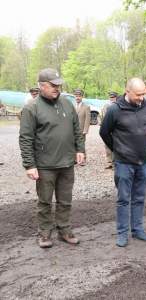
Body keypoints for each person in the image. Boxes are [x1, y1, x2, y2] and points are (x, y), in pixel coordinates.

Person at [19, 68, 85, 248]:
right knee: (45, 201)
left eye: (59, 85)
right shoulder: (31, 108)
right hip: (44, 165)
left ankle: (64, 229)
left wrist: (80, 149)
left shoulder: (66, 103)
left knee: (65, 200)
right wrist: (29, 164)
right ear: (41, 86)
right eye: (53, 85)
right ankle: (45, 232)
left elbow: (76, 129)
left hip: (66, 163)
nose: (58, 88)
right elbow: (25, 138)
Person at [100, 78, 146, 247]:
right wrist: (118, 149)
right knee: (124, 198)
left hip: (143, 162)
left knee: (139, 197)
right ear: (127, 91)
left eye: (144, 94)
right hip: (124, 163)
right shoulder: (114, 110)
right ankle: (122, 233)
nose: (142, 98)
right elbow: (104, 132)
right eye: (138, 94)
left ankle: (138, 230)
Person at [101, 91, 118, 169]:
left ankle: (115, 163)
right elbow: (102, 116)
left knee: (114, 145)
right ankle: (109, 162)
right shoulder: (105, 106)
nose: (112, 99)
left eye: (113, 97)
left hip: (115, 129)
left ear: (116, 98)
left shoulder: (118, 106)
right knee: (107, 145)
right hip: (107, 128)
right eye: (111, 97)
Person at [73, 89, 90, 166]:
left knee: (81, 144)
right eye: (76, 96)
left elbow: (87, 119)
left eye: (79, 96)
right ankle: (75, 159)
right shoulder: (72, 106)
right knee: (73, 144)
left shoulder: (86, 107)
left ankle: (83, 159)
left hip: (81, 130)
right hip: (73, 130)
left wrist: (85, 130)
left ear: (82, 97)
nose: (77, 97)